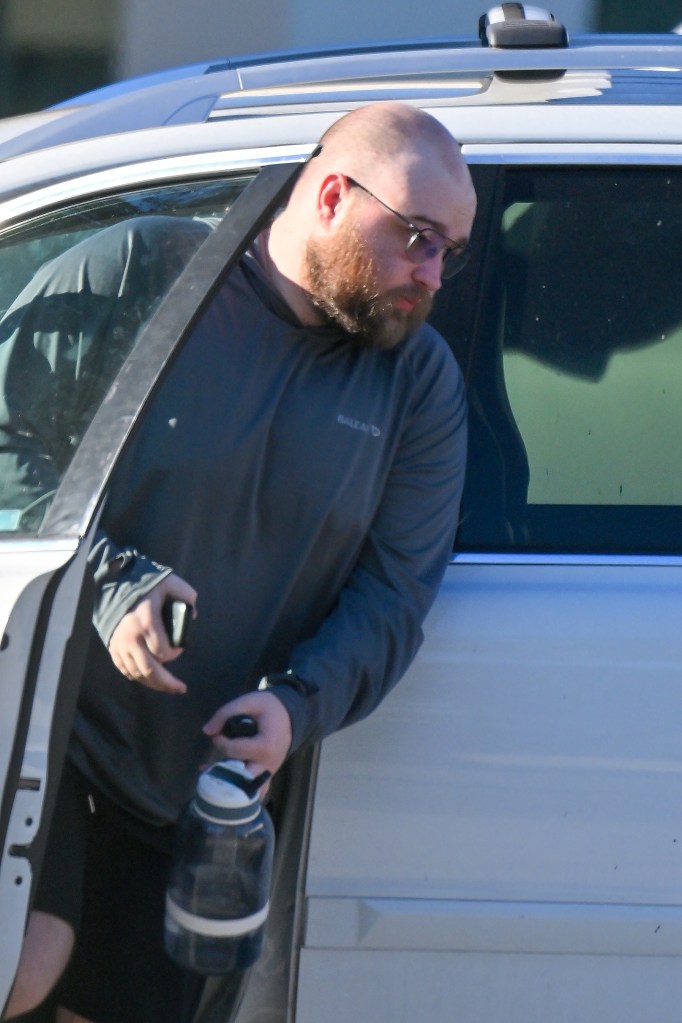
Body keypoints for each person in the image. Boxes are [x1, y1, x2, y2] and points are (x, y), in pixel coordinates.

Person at [4, 100, 476, 1023]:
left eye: (449, 252)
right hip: (42, 728)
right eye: (417, 237)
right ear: (333, 194)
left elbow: (393, 595)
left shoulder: (418, 385)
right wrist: (109, 583)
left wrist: (296, 705)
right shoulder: (147, 275)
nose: (431, 274)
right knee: (24, 960)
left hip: (194, 793)